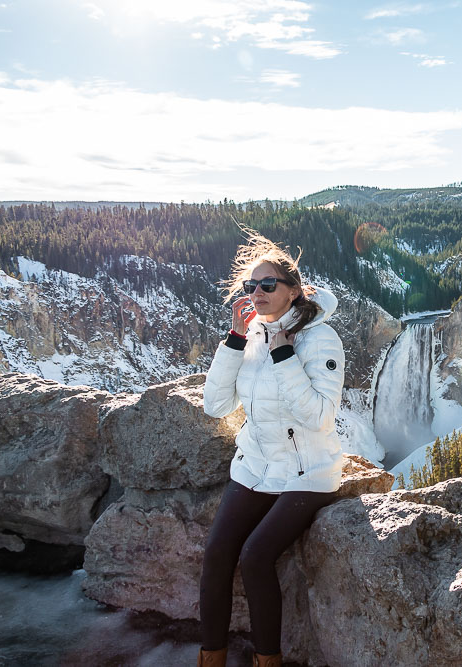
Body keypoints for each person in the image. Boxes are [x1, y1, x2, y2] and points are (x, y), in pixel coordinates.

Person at [198, 230, 345, 667]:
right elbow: (216, 405)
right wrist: (234, 340)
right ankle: (210, 658)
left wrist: (284, 355)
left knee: (256, 556)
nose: (256, 294)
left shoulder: (321, 340)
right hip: (255, 467)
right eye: (250, 286)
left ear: (294, 291)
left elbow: (318, 416)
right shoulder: (254, 336)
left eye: (267, 285)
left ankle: (268, 662)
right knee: (216, 555)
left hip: (308, 473)